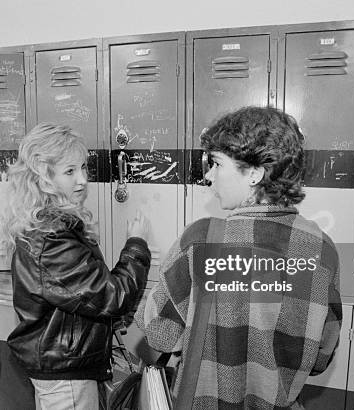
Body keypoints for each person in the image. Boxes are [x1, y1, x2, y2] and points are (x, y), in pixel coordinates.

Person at [136, 106, 342, 409]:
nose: (208, 175)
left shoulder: (201, 240)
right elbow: (321, 356)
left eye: (217, 164)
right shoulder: (322, 249)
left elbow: (160, 334)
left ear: (255, 174)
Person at [2, 123, 151, 410]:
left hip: (66, 368)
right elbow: (113, 296)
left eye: (83, 168)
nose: (82, 179)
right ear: (43, 178)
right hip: (66, 378)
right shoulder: (52, 238)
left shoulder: (47, 228)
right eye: (69, 172)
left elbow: (86, 294)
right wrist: (136, 244)